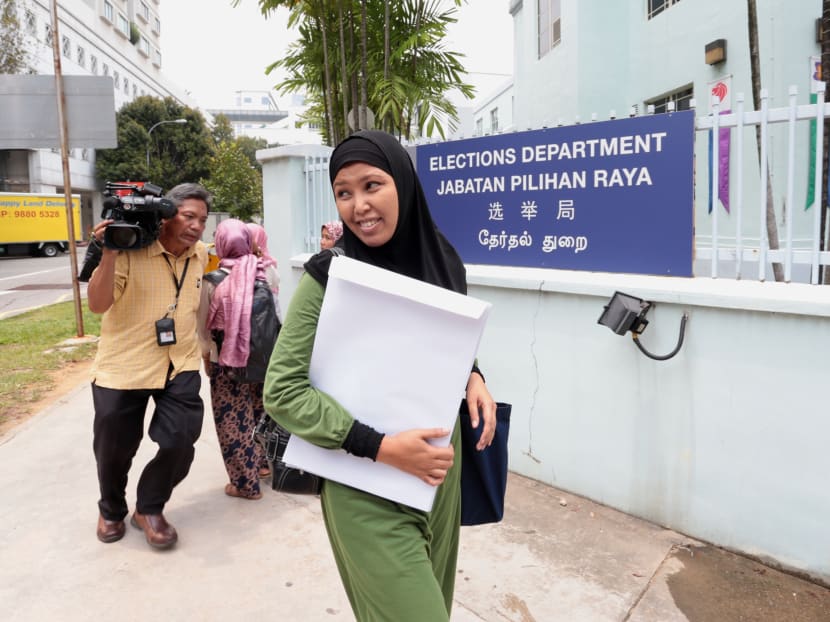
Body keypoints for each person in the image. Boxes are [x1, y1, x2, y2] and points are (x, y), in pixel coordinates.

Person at [263, 130, 497, 621]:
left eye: (372, 185)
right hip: (363, 481)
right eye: (343, 192)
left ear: (404, 185)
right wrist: (383, 447)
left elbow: (445, 345)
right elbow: (282, 391)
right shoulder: (329, 276)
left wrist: (473, 375)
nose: (359, 205)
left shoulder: (443, 262)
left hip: (437, 478)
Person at [87, 183, 210, 550]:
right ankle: (111, 510)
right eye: (189, 216)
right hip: (124, 364)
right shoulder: (129, 250)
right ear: (166, 214)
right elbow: (97, 304)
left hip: (179, 362)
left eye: (202, 220)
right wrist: (108, 252)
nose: (197, 226)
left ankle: (149, 507)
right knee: (114, 448)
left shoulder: (200, 255)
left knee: (180, 440)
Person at [198, 219, 279, 499]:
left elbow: (203, 330)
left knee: (232, 420)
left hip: (227, 361)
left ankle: (245, 484)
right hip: (263, 358)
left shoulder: (213, 281)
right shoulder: (265, 273)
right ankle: (263, 465)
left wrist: (207, 358)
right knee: (259, 413)